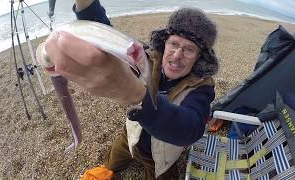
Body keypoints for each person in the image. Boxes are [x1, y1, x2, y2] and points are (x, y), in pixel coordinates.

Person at [44, 0, 219, 179]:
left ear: (199, 58)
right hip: (130, 139)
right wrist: (85, 3)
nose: (177, 55)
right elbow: (106, 33)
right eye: (174, 44)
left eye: (188, 49)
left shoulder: (202, 88)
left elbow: (190, 129)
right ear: (164, 43)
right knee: (110, 162)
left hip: (162, 155)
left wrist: (137, 95)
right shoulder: (145, 57)